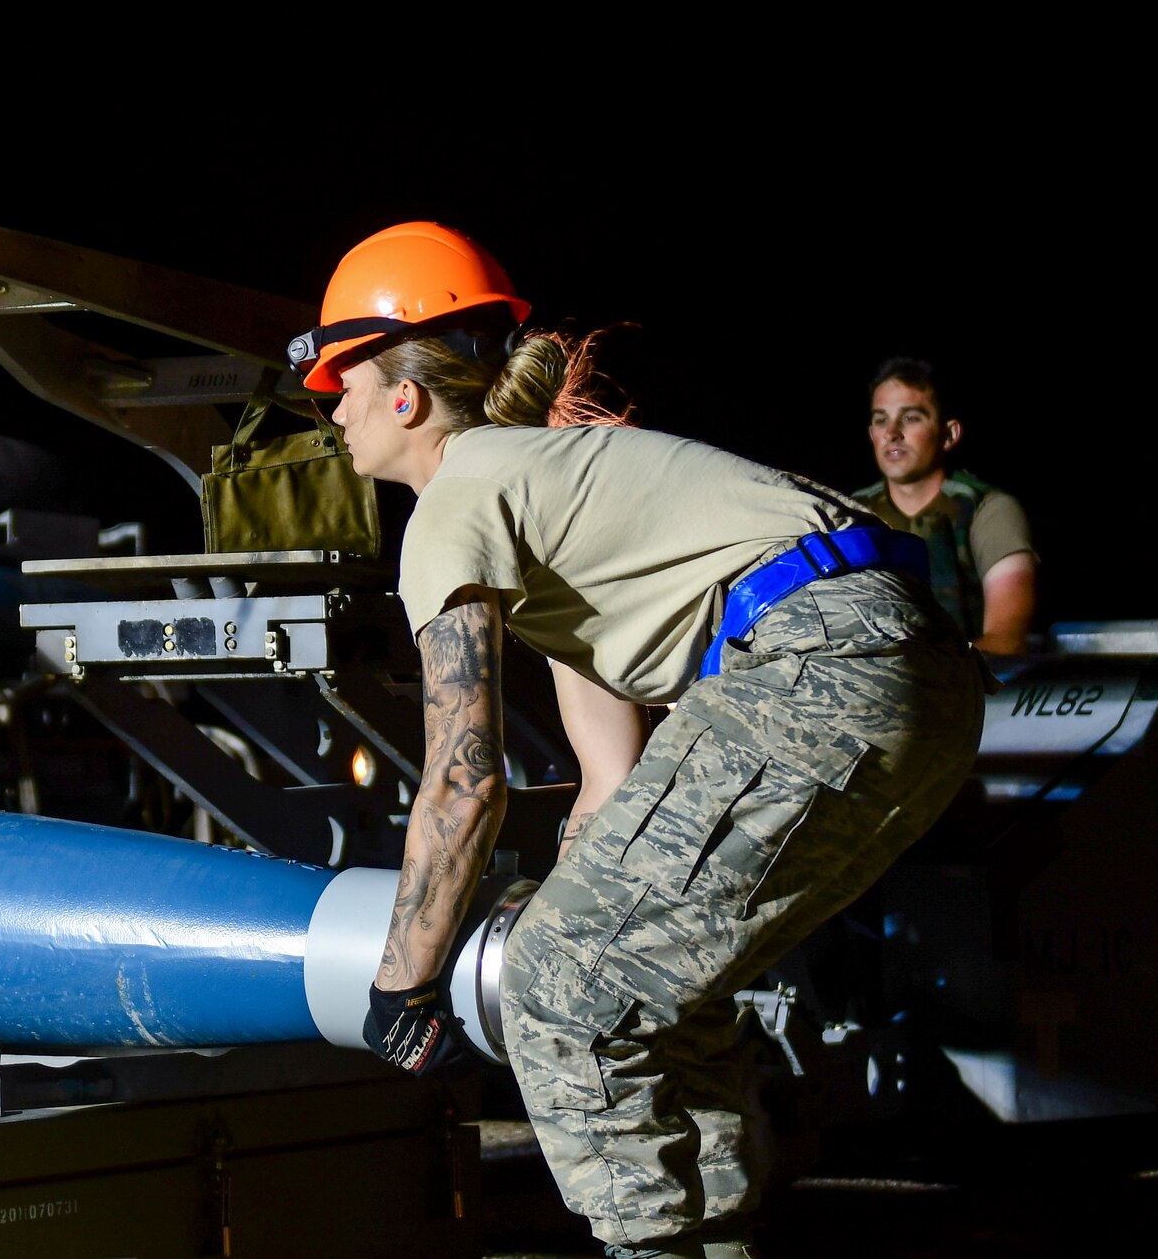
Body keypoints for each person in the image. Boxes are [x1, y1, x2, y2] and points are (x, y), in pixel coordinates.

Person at [285, 222, 989, 1259]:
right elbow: (602, 729)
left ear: (404, 395)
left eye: (342, 382)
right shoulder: (544, 476)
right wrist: (598, 842)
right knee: (656, 987)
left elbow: (462, 778)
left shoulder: (451, 505)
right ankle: (710, 1239)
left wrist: (400, 981)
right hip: (906, 671)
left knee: (552, 984)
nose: (330, 408)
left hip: (812, 664)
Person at [854, 357, 1038, 655]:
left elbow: (1006, 639)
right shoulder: (852, 515)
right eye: (880, 419)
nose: (892, 433)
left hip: (968, 689)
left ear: (949, 434)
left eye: (911, 417)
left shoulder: (986, 509)